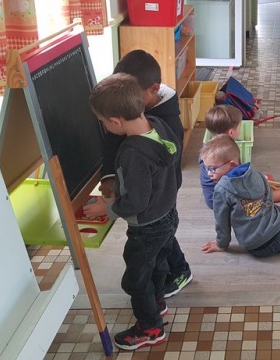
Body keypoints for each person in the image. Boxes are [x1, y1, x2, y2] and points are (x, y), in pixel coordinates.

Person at [87, 50, 193, 299]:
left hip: (158, 195)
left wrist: (111, 208)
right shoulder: (137, 113)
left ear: (153, 89)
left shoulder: (163, 121)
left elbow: (167, 167)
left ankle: (178, 273)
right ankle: (162, 287)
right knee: (162, 237)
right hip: (153, 196)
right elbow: (112, 141)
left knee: (158, 237)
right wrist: (109, 176)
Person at [88, 73, 181, 351]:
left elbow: (137, 202)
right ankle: (157, 302)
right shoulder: (159, 125)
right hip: (168, 215)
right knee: (158, 264)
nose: (105, 127)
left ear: (115, 122)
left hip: (147, 227)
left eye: (104, 122)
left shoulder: (133, 153)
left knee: (135, 280)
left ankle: (151, 328)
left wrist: (108, 207)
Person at [198, 104, 280, 207]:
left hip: (213, 197)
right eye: (239, 127)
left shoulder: (209, 150)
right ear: (231, 132)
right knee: (265, 197)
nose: (240, 129)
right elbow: (239, 183)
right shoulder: (225, 156)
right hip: (223, 202)